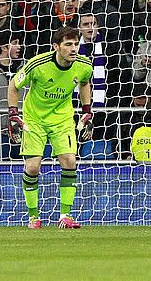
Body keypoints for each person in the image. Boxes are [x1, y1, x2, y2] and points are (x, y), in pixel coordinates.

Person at [7, 25, 94, 229]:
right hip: (34, 119)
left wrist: (87, 109)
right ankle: (33, 217)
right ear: (56, 46)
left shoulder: (84, 65)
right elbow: (13, 86)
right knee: (33, 167)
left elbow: (84, 82)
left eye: (76, 44)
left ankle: (65, 216)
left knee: (69, 161)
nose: (74, 49)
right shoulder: (37, 64)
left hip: (62, 119)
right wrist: (13, 114)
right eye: (68, 44)